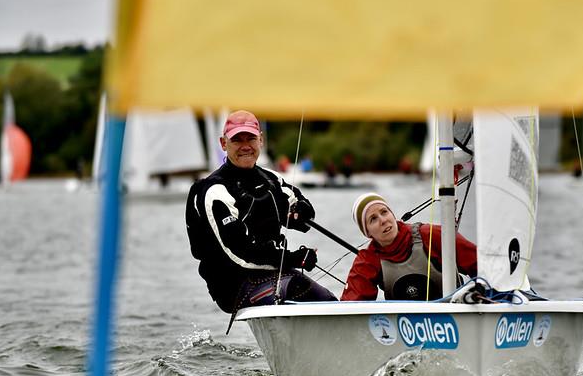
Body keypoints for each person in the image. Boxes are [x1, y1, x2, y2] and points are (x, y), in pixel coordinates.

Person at [185, 110, 337, 316]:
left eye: (251, 138)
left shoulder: (271, 179)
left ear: (261, 141)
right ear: (223, 144)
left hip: (274, 271)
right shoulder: (214, 191)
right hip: (233, 284)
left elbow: (303, 214)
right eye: (237, 140)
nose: (245, 146)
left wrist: (301, 211)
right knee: (298, 287)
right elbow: (239, 252)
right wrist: (293, 259)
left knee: (329, 301)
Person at [341, 192, 477, 301]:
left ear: (392, 214)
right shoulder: (369, 259)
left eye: (384, 212)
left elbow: (480, 264)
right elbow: (350, 306)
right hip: (405, 330)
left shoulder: (430, 235)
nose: (383, 220)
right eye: (373, 219)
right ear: (368, 233)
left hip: (453, 321)